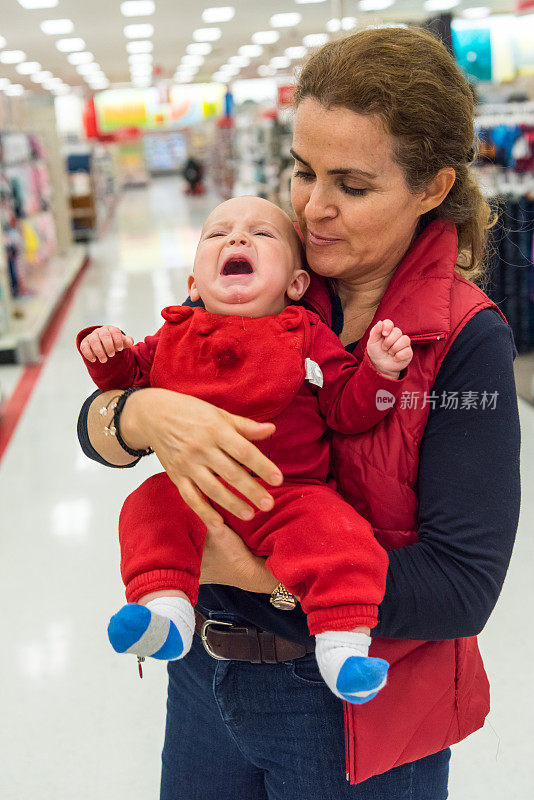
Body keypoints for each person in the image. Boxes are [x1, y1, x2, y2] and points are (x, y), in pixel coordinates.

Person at [77, 27, 521, 799]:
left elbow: (461, 589)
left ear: (432, 187)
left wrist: (245, 571)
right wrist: (141, 416)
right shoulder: (261, 272)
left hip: (356, 715)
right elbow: (102, 421)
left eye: (351, 185)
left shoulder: (464, 342)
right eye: (303, 170)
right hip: (203, 684)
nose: (313, 208)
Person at [76, 195, 414, 705]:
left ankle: (343, 645)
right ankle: (166, 613)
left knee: (342, 535)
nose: (237, 239)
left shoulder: (307, 336)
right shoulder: (172, 335)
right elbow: (128, 381)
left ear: (296, 284)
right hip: (194, 490)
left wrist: (381, 374)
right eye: (218, 234)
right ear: (194, 284)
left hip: (291, 495)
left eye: (261, 233)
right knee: (147, 507)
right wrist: (109, 355)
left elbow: (349, 409)